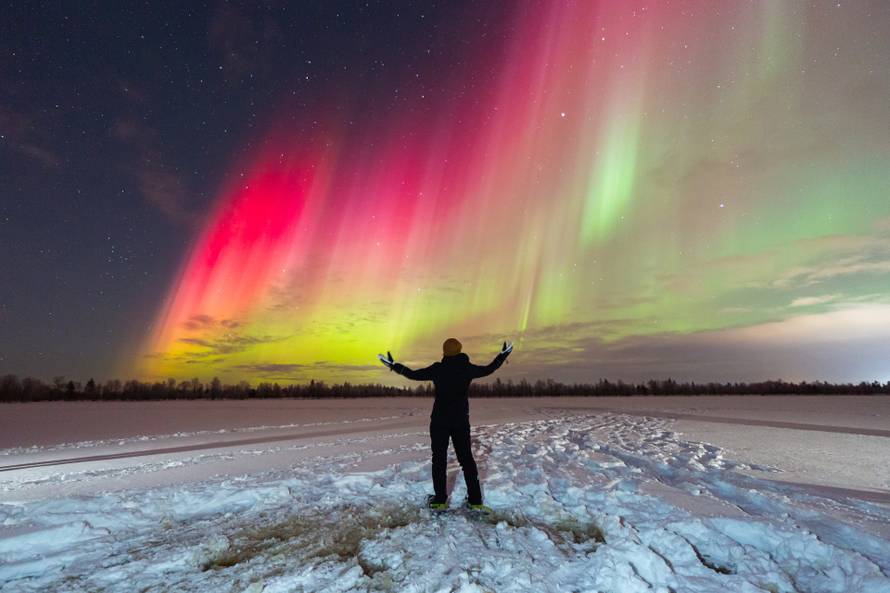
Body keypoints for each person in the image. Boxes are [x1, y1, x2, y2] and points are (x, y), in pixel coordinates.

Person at [378, 338, 513, 511]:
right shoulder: (467, 368)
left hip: (440, 421)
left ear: (444, 352)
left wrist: (394, 365)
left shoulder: (438, 369)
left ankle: (440, 500)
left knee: (439, 460)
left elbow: (412, 374)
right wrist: (502, 355)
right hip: (460, 421)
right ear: (460, 350)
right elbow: (489, 368)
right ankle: (475, 500)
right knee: (467, 460)